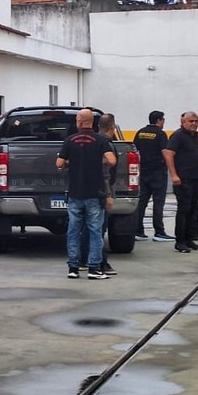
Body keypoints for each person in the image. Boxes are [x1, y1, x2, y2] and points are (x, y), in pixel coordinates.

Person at [56, 108, 117, 280]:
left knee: (73, 230)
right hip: (94, 194)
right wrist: (98, 160)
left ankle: (73, 268)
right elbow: (111, 160)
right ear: (92, 122)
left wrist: (71, 161)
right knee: (95, 231)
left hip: (75, 193)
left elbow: (59, 163)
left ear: (80, 122)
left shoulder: (70, 140)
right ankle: (94, 268)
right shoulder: (100, 140)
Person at [163, 111, 198, 253]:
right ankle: (180, 241)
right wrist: (174, 175)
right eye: (191, 121)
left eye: (196, 121)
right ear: (183, 122)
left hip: (196, 178)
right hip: (183, 179)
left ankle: (190, 239)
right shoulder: (178, 136)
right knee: (184, 209)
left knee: (193, 209)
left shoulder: (196, 137)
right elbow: (169, 154)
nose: (194, 124)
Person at [78, 112, 118, 275]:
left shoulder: (90, 141)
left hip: (85, 189)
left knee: (89, 227)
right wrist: (108, 194)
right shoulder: (103, 143)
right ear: (113, 127)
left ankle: (83, 259)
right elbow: (105, 173)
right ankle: (100, 262)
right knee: (98, 228)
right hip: (100, 191)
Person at [133, 110, 173, 242]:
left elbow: (135, 151)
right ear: (159, 120)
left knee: (142, 202)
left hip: (143, 172)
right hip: (157, 173)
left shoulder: (140, 132)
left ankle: (138, 231)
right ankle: (159, 232)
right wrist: (172, 170)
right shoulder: (161, 134)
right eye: (163, 120)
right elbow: (165, 152)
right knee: (158, 202)